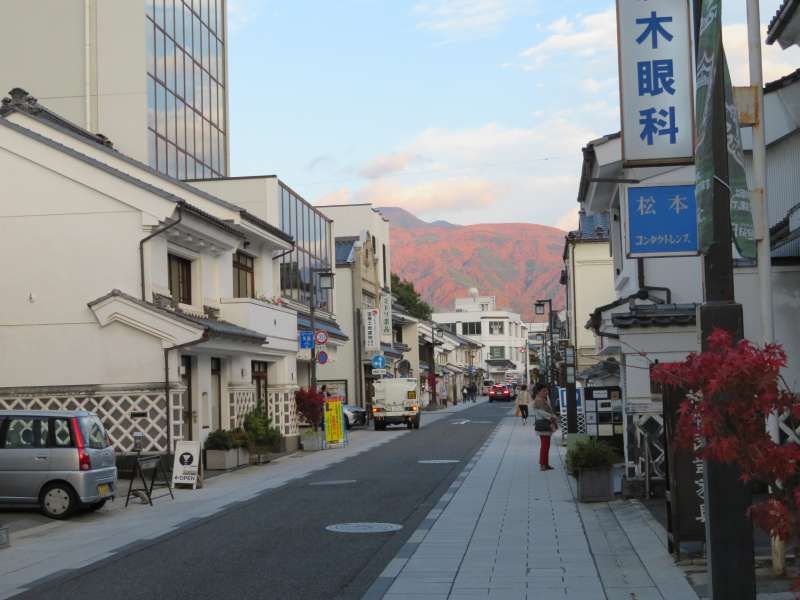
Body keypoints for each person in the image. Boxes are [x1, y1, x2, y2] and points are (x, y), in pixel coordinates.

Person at [532, 383, 558, 471]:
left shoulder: (543, 399)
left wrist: (552, 416)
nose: (546, 392)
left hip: (546, 424)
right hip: (544, 424)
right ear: (539, 391)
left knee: (546, 446)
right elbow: (541, 413)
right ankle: (543, 465)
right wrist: (551, 417)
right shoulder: (539, 400)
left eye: (547, 390)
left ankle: (545, 464)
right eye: (544, 391)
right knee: (545, 446)